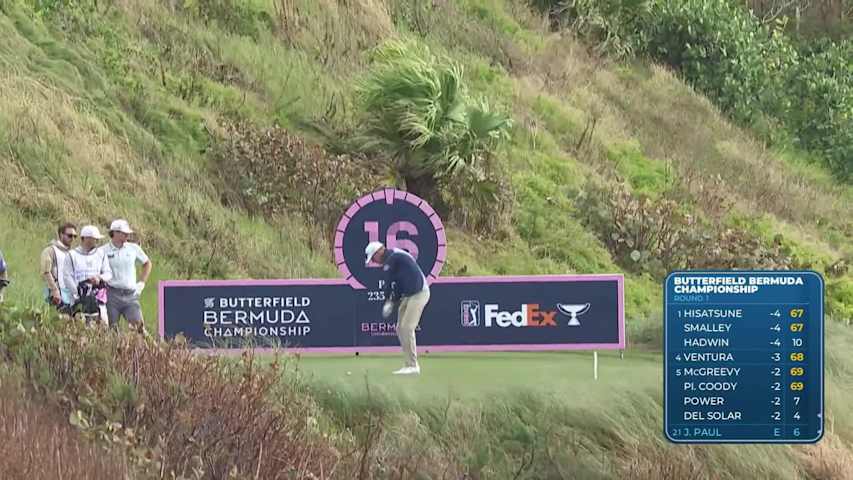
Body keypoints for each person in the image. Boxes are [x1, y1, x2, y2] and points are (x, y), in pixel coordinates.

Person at [365, 241, 431, 375]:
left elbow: (389, 282)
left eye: (373, 258)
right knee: (400, 328)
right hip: (409, 294)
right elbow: (399, 284)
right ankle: (408, 365)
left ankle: (413, 365)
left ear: (379, 252)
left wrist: (388, 301)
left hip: (419, 293)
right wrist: (392, 301)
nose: (374, 261)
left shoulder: (393, 257)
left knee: (407, 327)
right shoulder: (394, 258)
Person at [103, 219, 152, 333]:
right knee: (111, 330)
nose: (127, 235)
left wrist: (141, 283)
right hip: (111, 295)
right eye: (124, 233)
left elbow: (147, 263)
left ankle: (154, 350)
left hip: (130, 295)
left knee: (139, 329)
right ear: (115, 233)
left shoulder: (133, 248)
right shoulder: (103, 251)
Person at [62, 225, 112, 326]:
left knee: (102, 326)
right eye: (95, 239)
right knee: (81, 326)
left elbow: (108, 273)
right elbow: (67, 277)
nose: (97, 241)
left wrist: (99, 278)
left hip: (98, 298)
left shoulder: (101, 254)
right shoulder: (72, 255)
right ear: (86, 239)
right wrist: (78, 292)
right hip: (78, 300)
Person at [40, 222, 77, 311]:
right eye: (69, 235)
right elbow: (45, 272)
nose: (72, 239)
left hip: (70, 295)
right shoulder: (50, 250)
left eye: (74, 236)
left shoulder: (72, 253)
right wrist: (54, 290)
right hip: (56, 295)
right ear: (61, 234)